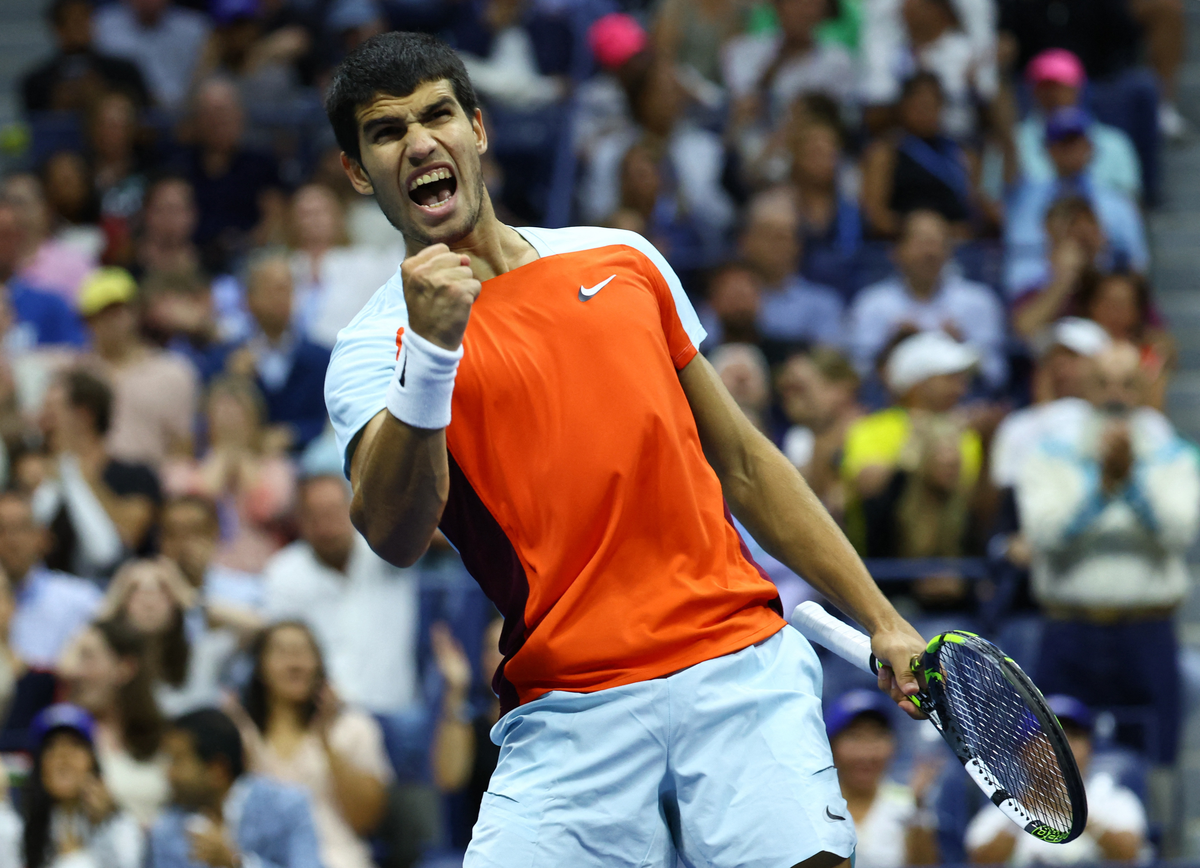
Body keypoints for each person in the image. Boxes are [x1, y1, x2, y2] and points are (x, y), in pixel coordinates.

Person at [323, 31, 927, 868]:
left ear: (479, 130)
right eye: (387, 132)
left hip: (733, 664)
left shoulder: (624, 260)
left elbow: (745, 464)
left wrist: (884, 618)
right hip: (567, 711)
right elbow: (393, 533)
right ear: (358, 170)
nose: (420, 142)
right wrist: (430, 353)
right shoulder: (370, 348)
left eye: (437, 116)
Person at [1015, 341, 1200, 765]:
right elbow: (1045, 535)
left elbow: (1178, 532)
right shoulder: (1049, 454)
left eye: (1127, 383)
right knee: (1053, 762)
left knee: (1154, 761)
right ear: (1086, 387)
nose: (1116, 394)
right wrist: (1103, 488)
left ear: (1144, 390)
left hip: (1146, 631)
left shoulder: (1174, 455)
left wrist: (1129, 483)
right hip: (1069, 629)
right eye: (1104, 383)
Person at [262, 476, 419, 725]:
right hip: (326, 715)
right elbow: (281, 649)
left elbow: (433, 525)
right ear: (300, 521)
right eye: (316, 516)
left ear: (353, 509)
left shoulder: (388, 551)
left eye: (334, 512)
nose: (327, 527)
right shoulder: (283, 573)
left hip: (396, 709)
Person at [238, 621, 392, 868]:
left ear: (320, 664)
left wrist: (326, 742)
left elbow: (367, 819)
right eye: (281, 652)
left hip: (335, 858)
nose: (295, 664)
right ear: (259, 666)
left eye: (303, 652)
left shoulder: (354, 728)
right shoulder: (242, 732)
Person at [966, 695, 1147, 864]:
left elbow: (1130, 856)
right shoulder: (1001, 811)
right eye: (1050, 736)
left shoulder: (1116, 800)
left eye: (1074, 735)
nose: (1064, 745)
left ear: (1090, 748)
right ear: (1024, 750)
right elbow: (981, 860)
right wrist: (1022, 812)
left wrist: (1076, 812)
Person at [847, 210, 1006, 390]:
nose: (929, 252)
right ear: (897, 251)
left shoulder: (978, 301)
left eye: (937, 243)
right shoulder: (872, 304)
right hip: (889, 401)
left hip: (962, 401)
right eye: (920, 242)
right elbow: (857, 373)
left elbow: (996, 374)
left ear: (950, 251)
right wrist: (891, 350)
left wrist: (963, 347)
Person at [147, 708, 323, 868]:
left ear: (217, 770)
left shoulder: (287, 807)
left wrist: (236, 863)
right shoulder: (167, 830)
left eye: (178, 761)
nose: (169, 774)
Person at [1005, 107, 1149, 298]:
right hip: (1042, 298)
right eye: (1061, 142)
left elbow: (1138, 265)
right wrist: (1061, 275)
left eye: (1076, 141)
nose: (1070, 150)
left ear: (1090, 147)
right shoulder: (1025, 199)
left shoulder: (1116, 202)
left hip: (1103, 299)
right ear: (1047, 150)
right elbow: (1018, 267)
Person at [36, 368, 161, 577]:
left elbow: (129, 535)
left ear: (84, 415)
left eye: (51, 411)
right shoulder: (36, 474)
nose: (42, 421)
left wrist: (79, 477)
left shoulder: (136, 475)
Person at [163, 375, 295, 573]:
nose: (231, 421)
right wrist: (220, 460)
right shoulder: (183, 467)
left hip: (264, 567)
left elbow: (268, 509)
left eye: (239, 414)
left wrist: (244, 463)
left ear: (254, 421)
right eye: (223, 413)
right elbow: (192, 511)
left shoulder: (276, 467)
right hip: (202, 568)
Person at [78, 268, 199, 468]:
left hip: (150, 479)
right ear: (87, 322)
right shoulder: (78, 376)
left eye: (117, 311)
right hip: (90, 479)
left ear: (134, 312)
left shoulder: (172, 372)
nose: (109, 322)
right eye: (99, 314)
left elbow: (182, 446)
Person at [0, 704, 143, 868]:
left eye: (74, 745)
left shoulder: (118, 822)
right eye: (51, 747)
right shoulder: (21, 822)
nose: (63, 757)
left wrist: (107, 822)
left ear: (93, 761)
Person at [58, 619, 169, 825]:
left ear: (125, 668)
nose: (75, 672)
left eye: (88, 657)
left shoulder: (168, 737)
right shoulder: (65, 735)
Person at [860, 73, 994, 240]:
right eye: (919, 104)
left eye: (931, 104)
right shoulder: (885, 153)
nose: (925, 111)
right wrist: (923, 232)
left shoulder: (962, 155)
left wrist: (950, 233)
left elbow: (976, 212)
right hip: (901, 246)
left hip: (956, 247)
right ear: (903, 106)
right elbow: (874, 216)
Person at [171, 79, 286, 272]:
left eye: (224, 112)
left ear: (240, 115)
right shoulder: (179, 165)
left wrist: (247, 245)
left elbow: (275, 217)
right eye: (210, 114)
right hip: (188, 256)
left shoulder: (261, 163)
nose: (218, 121)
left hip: (248, 257)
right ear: (196, 120)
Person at [825, 690, 939, 868]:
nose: (866, 753)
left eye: (877, 736)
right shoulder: (814, 807)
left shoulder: (909, 804)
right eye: (854, 737)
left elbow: (925, 864)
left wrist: (918, 811)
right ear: (831, 746)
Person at [231, 253, 331, 453]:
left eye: (287, 289)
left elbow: (330, 421)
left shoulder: (321, 359)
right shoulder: (227, 360)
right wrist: (235, 381)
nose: (281, 298)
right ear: (249, 299)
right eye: (272, 290)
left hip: (307, 464)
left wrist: (295, 433)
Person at [1016, 49, 1142, 201]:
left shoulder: (1115, 143)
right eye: (1045, 86)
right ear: (1033, 91)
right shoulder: (1014, 142)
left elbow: (1130, 204)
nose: (1053, 94)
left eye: (1061, 86)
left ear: (1079, 88)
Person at [860, 0, 998, 139]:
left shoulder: (965, 53)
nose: (905, 10)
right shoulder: (893, 53)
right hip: (904, 138)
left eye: (917, 6)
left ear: (937, 11)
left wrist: (973, 88)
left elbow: (990, 107)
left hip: (957, 138)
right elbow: (876, 106)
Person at [287, 183, 400, 349]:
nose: (314, 220)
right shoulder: (285, 266)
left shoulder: (365, 261)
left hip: (348, 351)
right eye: (306, 214)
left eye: (321, 212)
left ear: (337, 216)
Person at [0, 491, 101, 671]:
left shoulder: (80, 600)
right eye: (1, 530)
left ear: (42, 537)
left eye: (21, 529)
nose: (10, 541)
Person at [429, 616, 503, 846]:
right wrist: (456, 690)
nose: (499, 657)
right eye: (491, 648)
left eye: (509, 646)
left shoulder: (550, 724)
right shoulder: (472, 728)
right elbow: (449, 779)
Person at [738, 188, 844, 347]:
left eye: (785, 237)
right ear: (745, 241)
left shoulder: (822, 305)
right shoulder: (727, 301)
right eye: (768, 235)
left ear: (798, 245)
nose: (776, 245)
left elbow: (830, 363)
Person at [21, 0, 150, 113]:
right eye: (75, 21)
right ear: (58, 28)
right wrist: (58, 105)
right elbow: (35, 126)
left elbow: (146, 117)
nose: (84, 27)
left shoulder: (124, 72)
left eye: (87, 19)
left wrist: (105, 97)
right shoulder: (36, 83)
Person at [1076, 270, 1175, 411]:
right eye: (1108, 302)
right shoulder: (1074, 347)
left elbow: (1154, 408)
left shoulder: (1149, 353)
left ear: (1136, 311)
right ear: (1092, 305)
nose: (1114, 311)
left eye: (1122, 303)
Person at [92, 0, 211, 112]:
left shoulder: (194, 27)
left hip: (186, 107)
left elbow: (206, 70)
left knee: (216, 95)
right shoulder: (102, 25)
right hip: (132, 110)